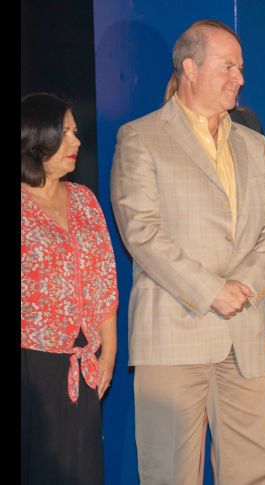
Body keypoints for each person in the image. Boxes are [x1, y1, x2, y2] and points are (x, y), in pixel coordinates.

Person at [110, 19, 265, 484]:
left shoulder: (254, 144)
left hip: (243, 334)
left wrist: (246, 284)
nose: (240, 77)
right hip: (174, 334)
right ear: (190, 68)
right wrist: (211, 290)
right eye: (228, 66)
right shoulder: (140, 137)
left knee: (254, 472)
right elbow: (142, 233)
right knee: (170, 473)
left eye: (241, 67)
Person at [21, 92, 118, 485]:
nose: (77, 142)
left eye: (75, 133)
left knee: (83, 472)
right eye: (65, 133)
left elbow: (104, 277)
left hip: (84, 365)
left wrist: (108, 349)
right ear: (35, 139)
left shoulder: (85, 200)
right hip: (32, 368)